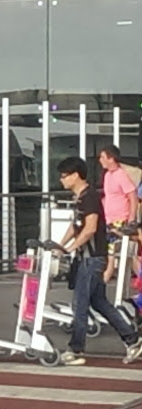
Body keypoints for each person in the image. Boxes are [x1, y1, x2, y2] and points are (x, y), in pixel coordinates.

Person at [56, 156, 142, 366]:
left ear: (76, 175)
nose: (61, 180)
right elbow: (76, 226)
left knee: (80, 304)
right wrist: (60, 245)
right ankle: (132, 339)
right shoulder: (80, 198)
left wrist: (69, 249)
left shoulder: (90, 197)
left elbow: (90, 229)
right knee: (99, 302)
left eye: (64, 176)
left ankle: (76, 349)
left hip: (92, 259)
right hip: (87, 258)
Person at [98, 145, 137, 283]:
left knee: (117, 254)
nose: (100, 160)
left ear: (111, 158)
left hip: (121, 220)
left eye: (103, 157)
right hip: (110, 220)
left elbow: (132, 196)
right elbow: (108, 197)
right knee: (119, 254)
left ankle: (101, 283)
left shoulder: (121, 175)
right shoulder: (107, 175)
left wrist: (131, 220)